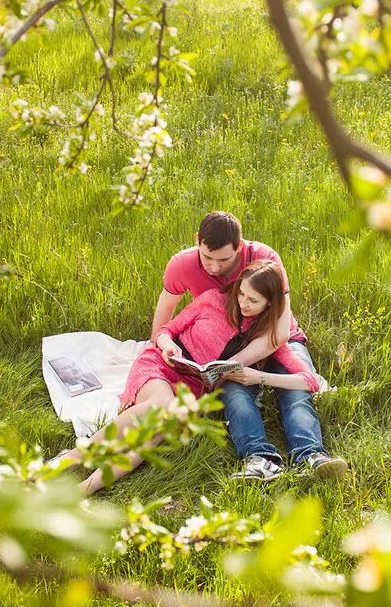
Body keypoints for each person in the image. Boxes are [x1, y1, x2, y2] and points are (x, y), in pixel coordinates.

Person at [56, 260, 321, 493]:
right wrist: (167, 344)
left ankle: (85, 489)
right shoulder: (213, 300)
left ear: (270, 304)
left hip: (192, 388)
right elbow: (166, 330)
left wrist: (257, 378)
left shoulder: (267, 335)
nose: (243, 303)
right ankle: (73, 458)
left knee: (155, 434)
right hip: (162, 366)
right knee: (163, 406)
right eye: (241, 294)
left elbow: (309, 381)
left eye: (253, 300)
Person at [153, 211, 348, 481]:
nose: (213, 268)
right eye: (206, 258)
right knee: (234, 393)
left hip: (276, 337)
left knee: (293, 395)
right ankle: (258, 458)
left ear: (240, 248)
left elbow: (286, 349)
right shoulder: (193, 276)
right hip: (235, 341)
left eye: (223, 260)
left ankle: (311, 455)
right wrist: (158, 350)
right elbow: (166, 320)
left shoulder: (266, 261)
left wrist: (255, 374)